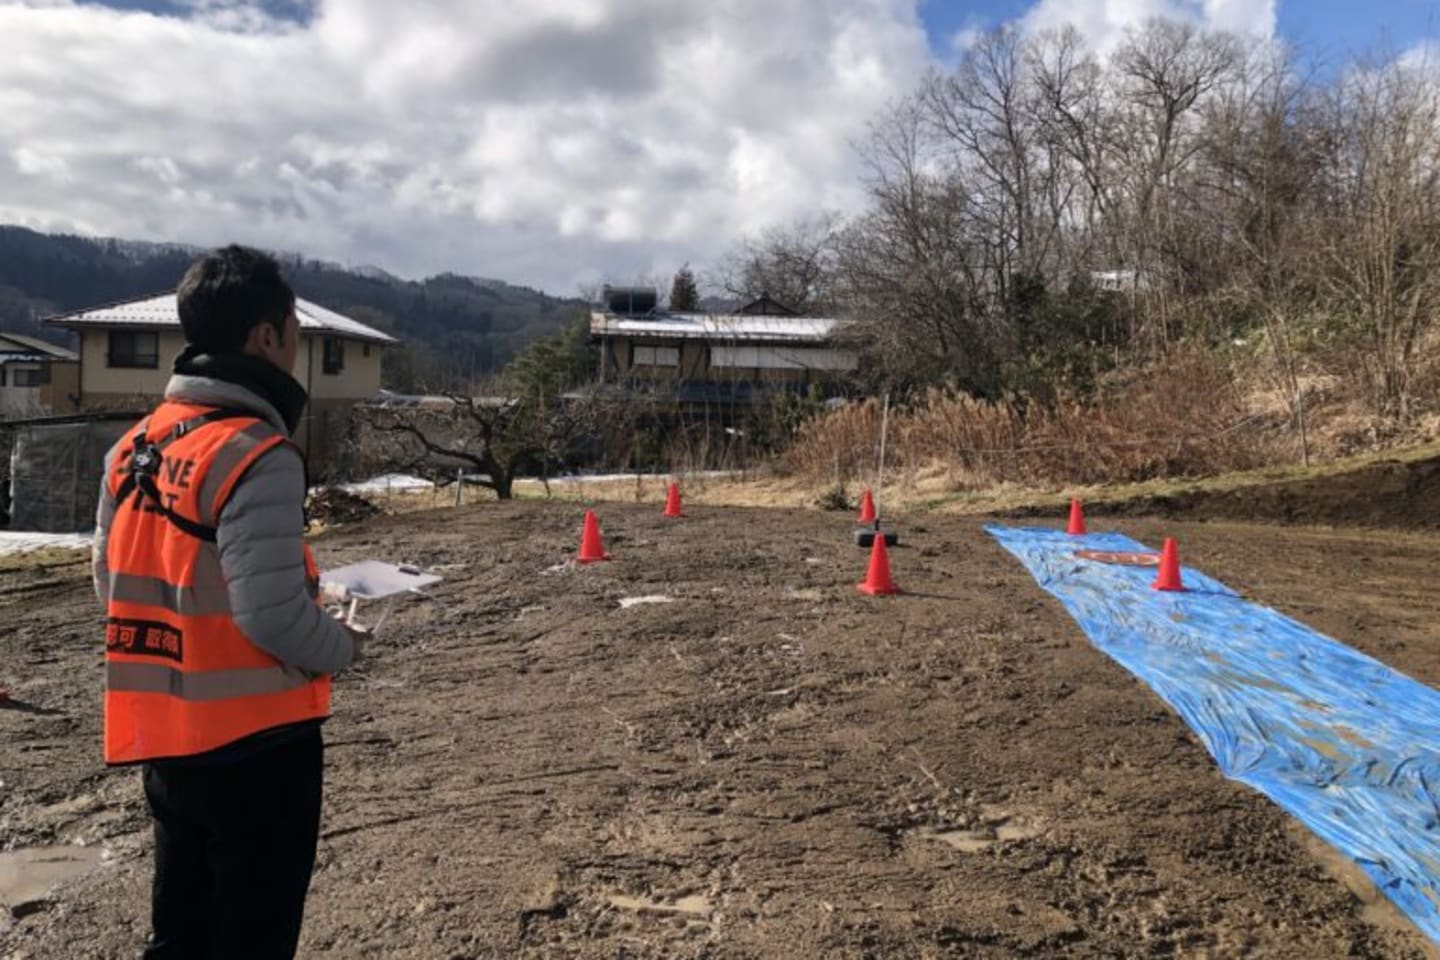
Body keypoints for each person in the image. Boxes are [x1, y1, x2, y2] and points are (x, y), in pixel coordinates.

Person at [92, 244, 362, 959]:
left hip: (167, 737)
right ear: (265, 337)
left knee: (180, 930)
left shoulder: (132, 449)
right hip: (259, 748)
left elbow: (109, 578)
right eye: (296, 334)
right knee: (252, 937)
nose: (297, 350)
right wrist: (342, 647)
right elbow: (271, 616)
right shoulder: (255, 451)